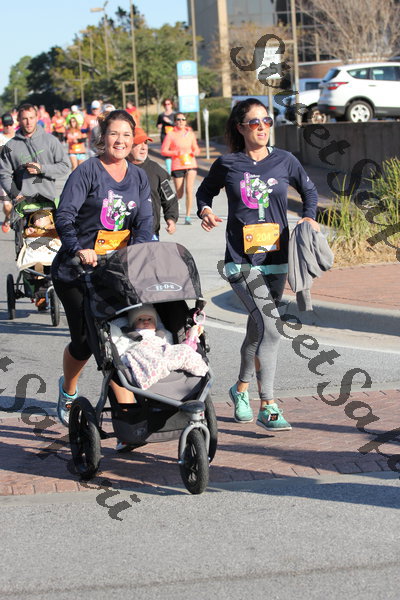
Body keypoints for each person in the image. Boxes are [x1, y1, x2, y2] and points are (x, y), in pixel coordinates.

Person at [196, 98, 319, 431]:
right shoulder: (228, 163)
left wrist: (309, 217)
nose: (262, 127)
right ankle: (268, 404)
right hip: (241, 261)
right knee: (271, 328)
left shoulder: (285, 160)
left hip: (277, 261)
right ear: (241, 128)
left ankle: (240, 389)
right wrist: (205, 210)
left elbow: (309, 192)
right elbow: (204, 193)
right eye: (254, 122)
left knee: (259, 328)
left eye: (267, 120)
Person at [51, 109, 153, 427]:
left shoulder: (138, 177)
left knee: (117, 341)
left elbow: (145, 222)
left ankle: (126, 416)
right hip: (76, 271)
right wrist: (78, 249)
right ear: (102, 137)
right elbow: (64, 215)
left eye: (126, 135)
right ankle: (68, 390)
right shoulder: (87, 171)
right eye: (114, 134)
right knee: (85, 342)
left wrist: (137, 251)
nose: (120, 140)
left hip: (116, 271)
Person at [0, 103, 69, 215]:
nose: (29, 122)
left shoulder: (51, 141)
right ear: (18, 120)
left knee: (44, 227)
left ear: (37, 118)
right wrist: (15, 194)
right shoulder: (10, 146)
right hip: (23, 204)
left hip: (48, 201)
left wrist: (42, 168)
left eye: (31, 118)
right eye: (24, 119)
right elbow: (4, 174)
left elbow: (65, 166)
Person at [129, 126, 178, 240]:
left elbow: (170, 198)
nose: (143, 147)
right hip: (123, 234)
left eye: (145, 143)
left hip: (150, 233)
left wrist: (171, 219)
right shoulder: (118, 168)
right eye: (138, 144)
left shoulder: (157, 171)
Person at [161, 112, 200, 225]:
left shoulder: (190, 134)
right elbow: (163, 150)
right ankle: (173, 205)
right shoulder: (171, 134)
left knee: (189, 190)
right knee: (180, 193)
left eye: (183, 119)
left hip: (190, 164)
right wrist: (176, 152)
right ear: (175, 121)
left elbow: (196, 148)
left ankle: (188, 216)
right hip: (178, 165)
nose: (181, 121)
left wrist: (195, 152)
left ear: (186, 121)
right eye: (178, 119)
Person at [0, 113, 16, 233]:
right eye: (6, 125)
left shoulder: (19, 137)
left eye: (10, 124)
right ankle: (8, 216)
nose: (9, 127)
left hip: (18, 175)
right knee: (7, 205)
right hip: (4, 175)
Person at [157, 98, 176, 174]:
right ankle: (169, 172)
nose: (167, 105)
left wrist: (169, 121)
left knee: (174, 152)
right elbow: (158, 124)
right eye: (165, 104)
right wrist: (159, 125)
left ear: (171, 105)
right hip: (164, 136)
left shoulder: (175, 114)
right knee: (167, 154)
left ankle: (175, 169)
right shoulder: (161, 115)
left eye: (168, 104)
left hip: (174, 136)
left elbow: (177, 125)